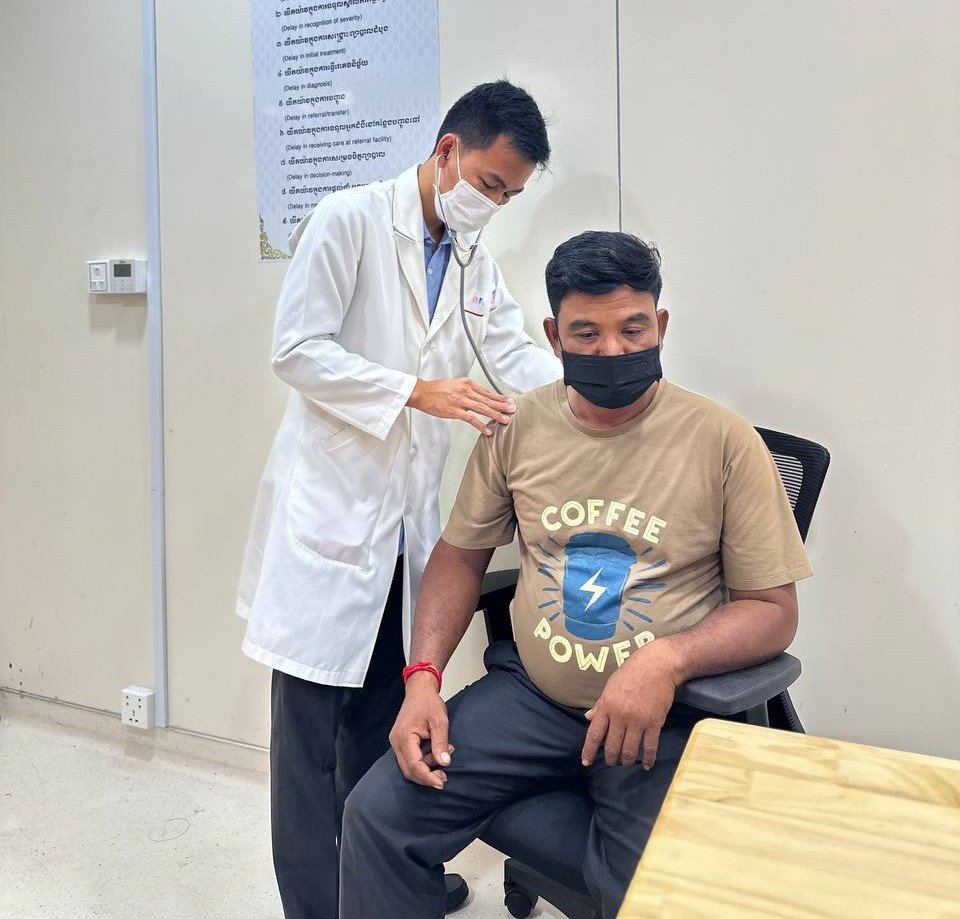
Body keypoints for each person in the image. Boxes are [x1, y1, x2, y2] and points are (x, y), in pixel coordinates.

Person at [339, 230, 813, 919]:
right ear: (554, 336)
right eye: (587, 333)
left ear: (661, 326)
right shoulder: (516, 429)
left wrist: (665, 662)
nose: (613, 350)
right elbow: (460, 556)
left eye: (633, 329)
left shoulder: (722, 441)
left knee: (653, 893)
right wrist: (422, 679)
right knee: (378, 815)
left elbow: (772, 609)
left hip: (663, 716)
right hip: (532, 699)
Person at [236, 81, 561, 919]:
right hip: (331, 521)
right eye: (490, 183)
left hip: (404, 532)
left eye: (509, 196)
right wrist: (415, 390)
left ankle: (379, 884)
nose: (494, 205)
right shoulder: (348, 220)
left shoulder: (471, 258)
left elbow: (513, 354)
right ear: (448, 149)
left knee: (386, 720)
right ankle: (319, 908)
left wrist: (589, 403)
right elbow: (296, 350)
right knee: (309, 747)